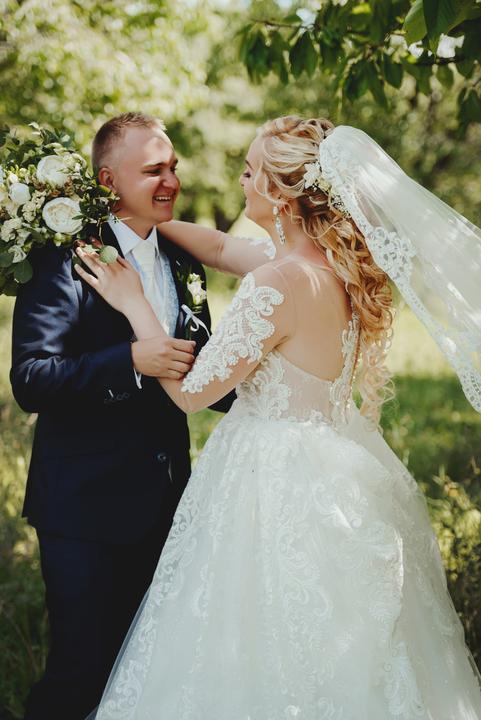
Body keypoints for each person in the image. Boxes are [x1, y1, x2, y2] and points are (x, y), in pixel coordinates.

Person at [76, 116, 481, 718]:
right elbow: (218, 247)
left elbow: (190, 394)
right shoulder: (331, 264)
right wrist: (136, 224)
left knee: (253, 633)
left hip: (271, 482)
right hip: (337, 467)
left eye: (249, 172)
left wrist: (135, 302)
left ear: (281, 194)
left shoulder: (276, 281)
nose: (240, 182)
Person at [10, 112, 232, 720]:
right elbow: (31, 379)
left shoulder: (183, 262)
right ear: (108, 181)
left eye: (173, 168)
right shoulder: (62, 260)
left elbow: (199, 371)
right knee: (81, 675)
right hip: (83, 507)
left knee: (151, 677)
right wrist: (128, 361)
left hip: (170, 503)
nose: (171, 181)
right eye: (153, 170)